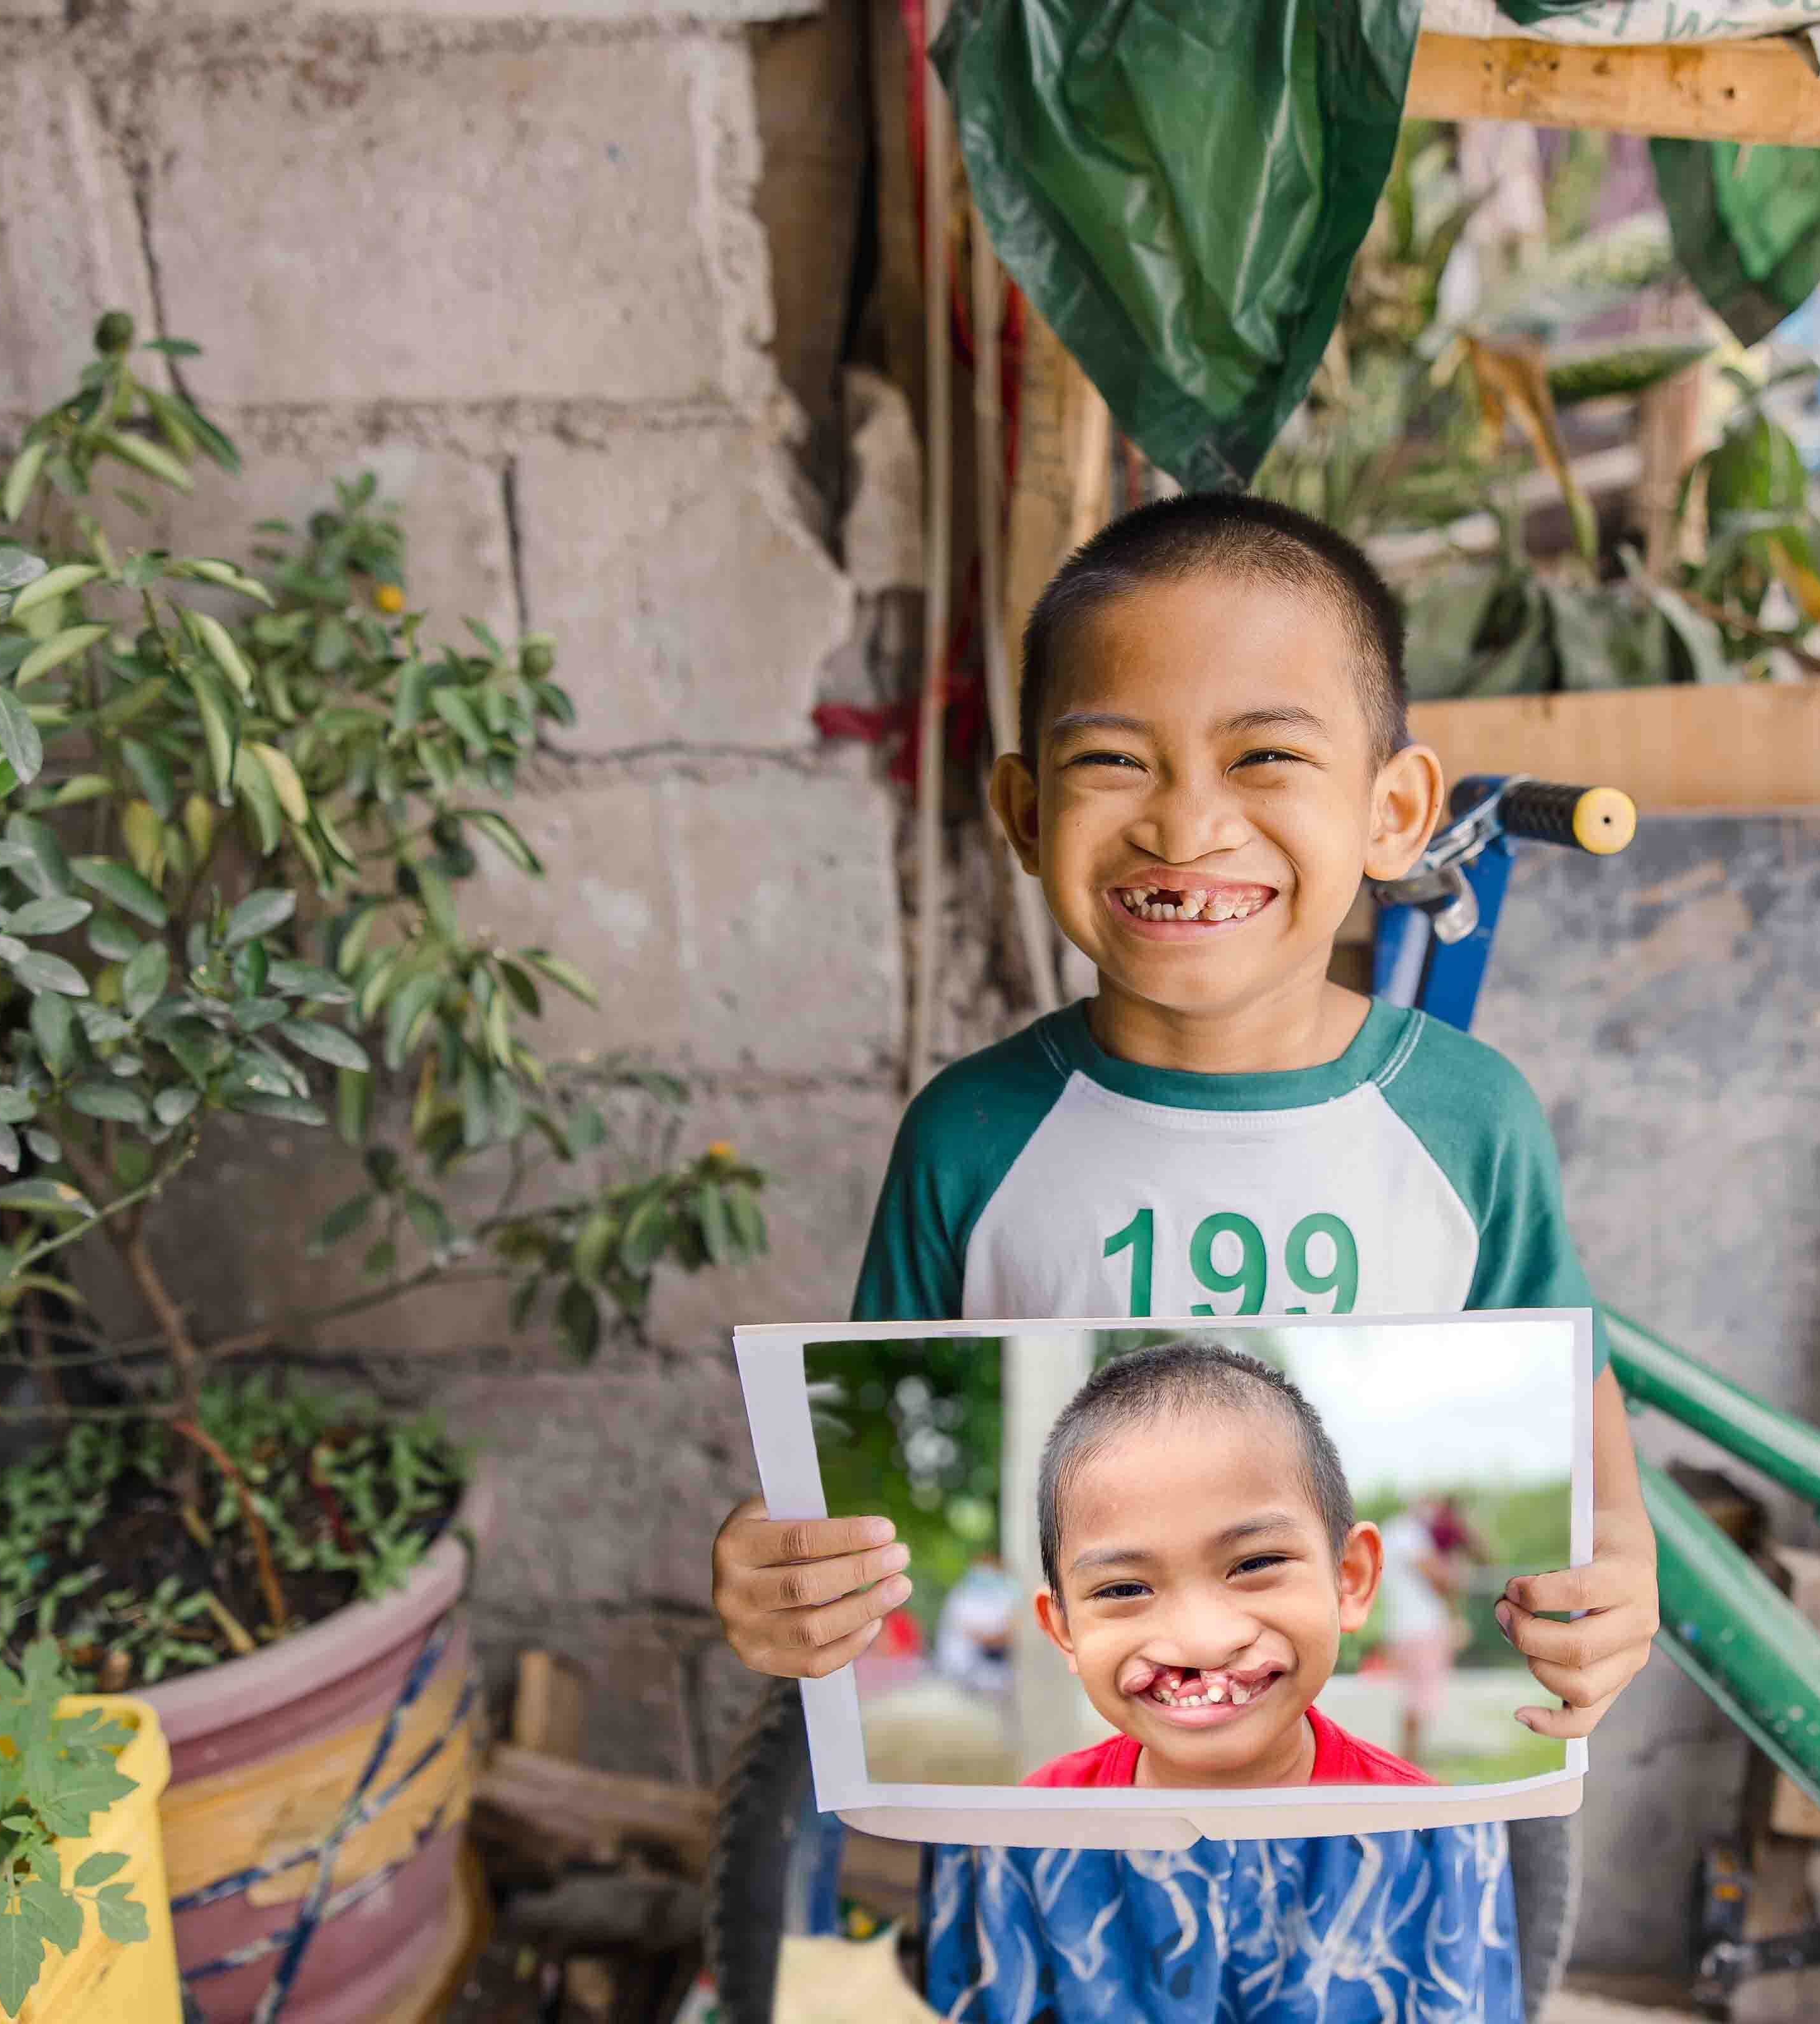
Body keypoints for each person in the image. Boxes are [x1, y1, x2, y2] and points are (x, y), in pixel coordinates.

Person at [709, 491, 1658, 2022]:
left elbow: (1578, 1430)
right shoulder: (968, 1134)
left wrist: (1619, 1572)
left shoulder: (1470, 1121)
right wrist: (779, 1580)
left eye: (1264, 755)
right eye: (1110, 762)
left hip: (1388, 1862)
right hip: (1052, 1864)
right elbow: (849, 1480)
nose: (1183, 821)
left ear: (1394, 810)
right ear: (1021, 812)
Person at [1021, 1339, 1430, 1789]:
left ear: (1348, 1578)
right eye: (1124, 1590)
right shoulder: (1032, 1832)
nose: (1203, 1644)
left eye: (1256, 1564)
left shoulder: (1425, 1836)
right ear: (1065, 1632)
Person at [1375, 1495, 1466, 1770]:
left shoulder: (1391, 1531)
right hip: (1421, 1627)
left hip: (1401, 1627)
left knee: (1413, 1697)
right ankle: (1409, 1763)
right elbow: (1441, 1578)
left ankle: (1409, 1761)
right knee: (1419, 1698)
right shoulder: (1409, 1533)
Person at [932, 1550, 1017, 1698]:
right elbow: (986, 1637)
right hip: (965, 1670)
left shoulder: (996, 1597)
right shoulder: (963, 1597)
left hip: (986, 1667)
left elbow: (1008, 1629)